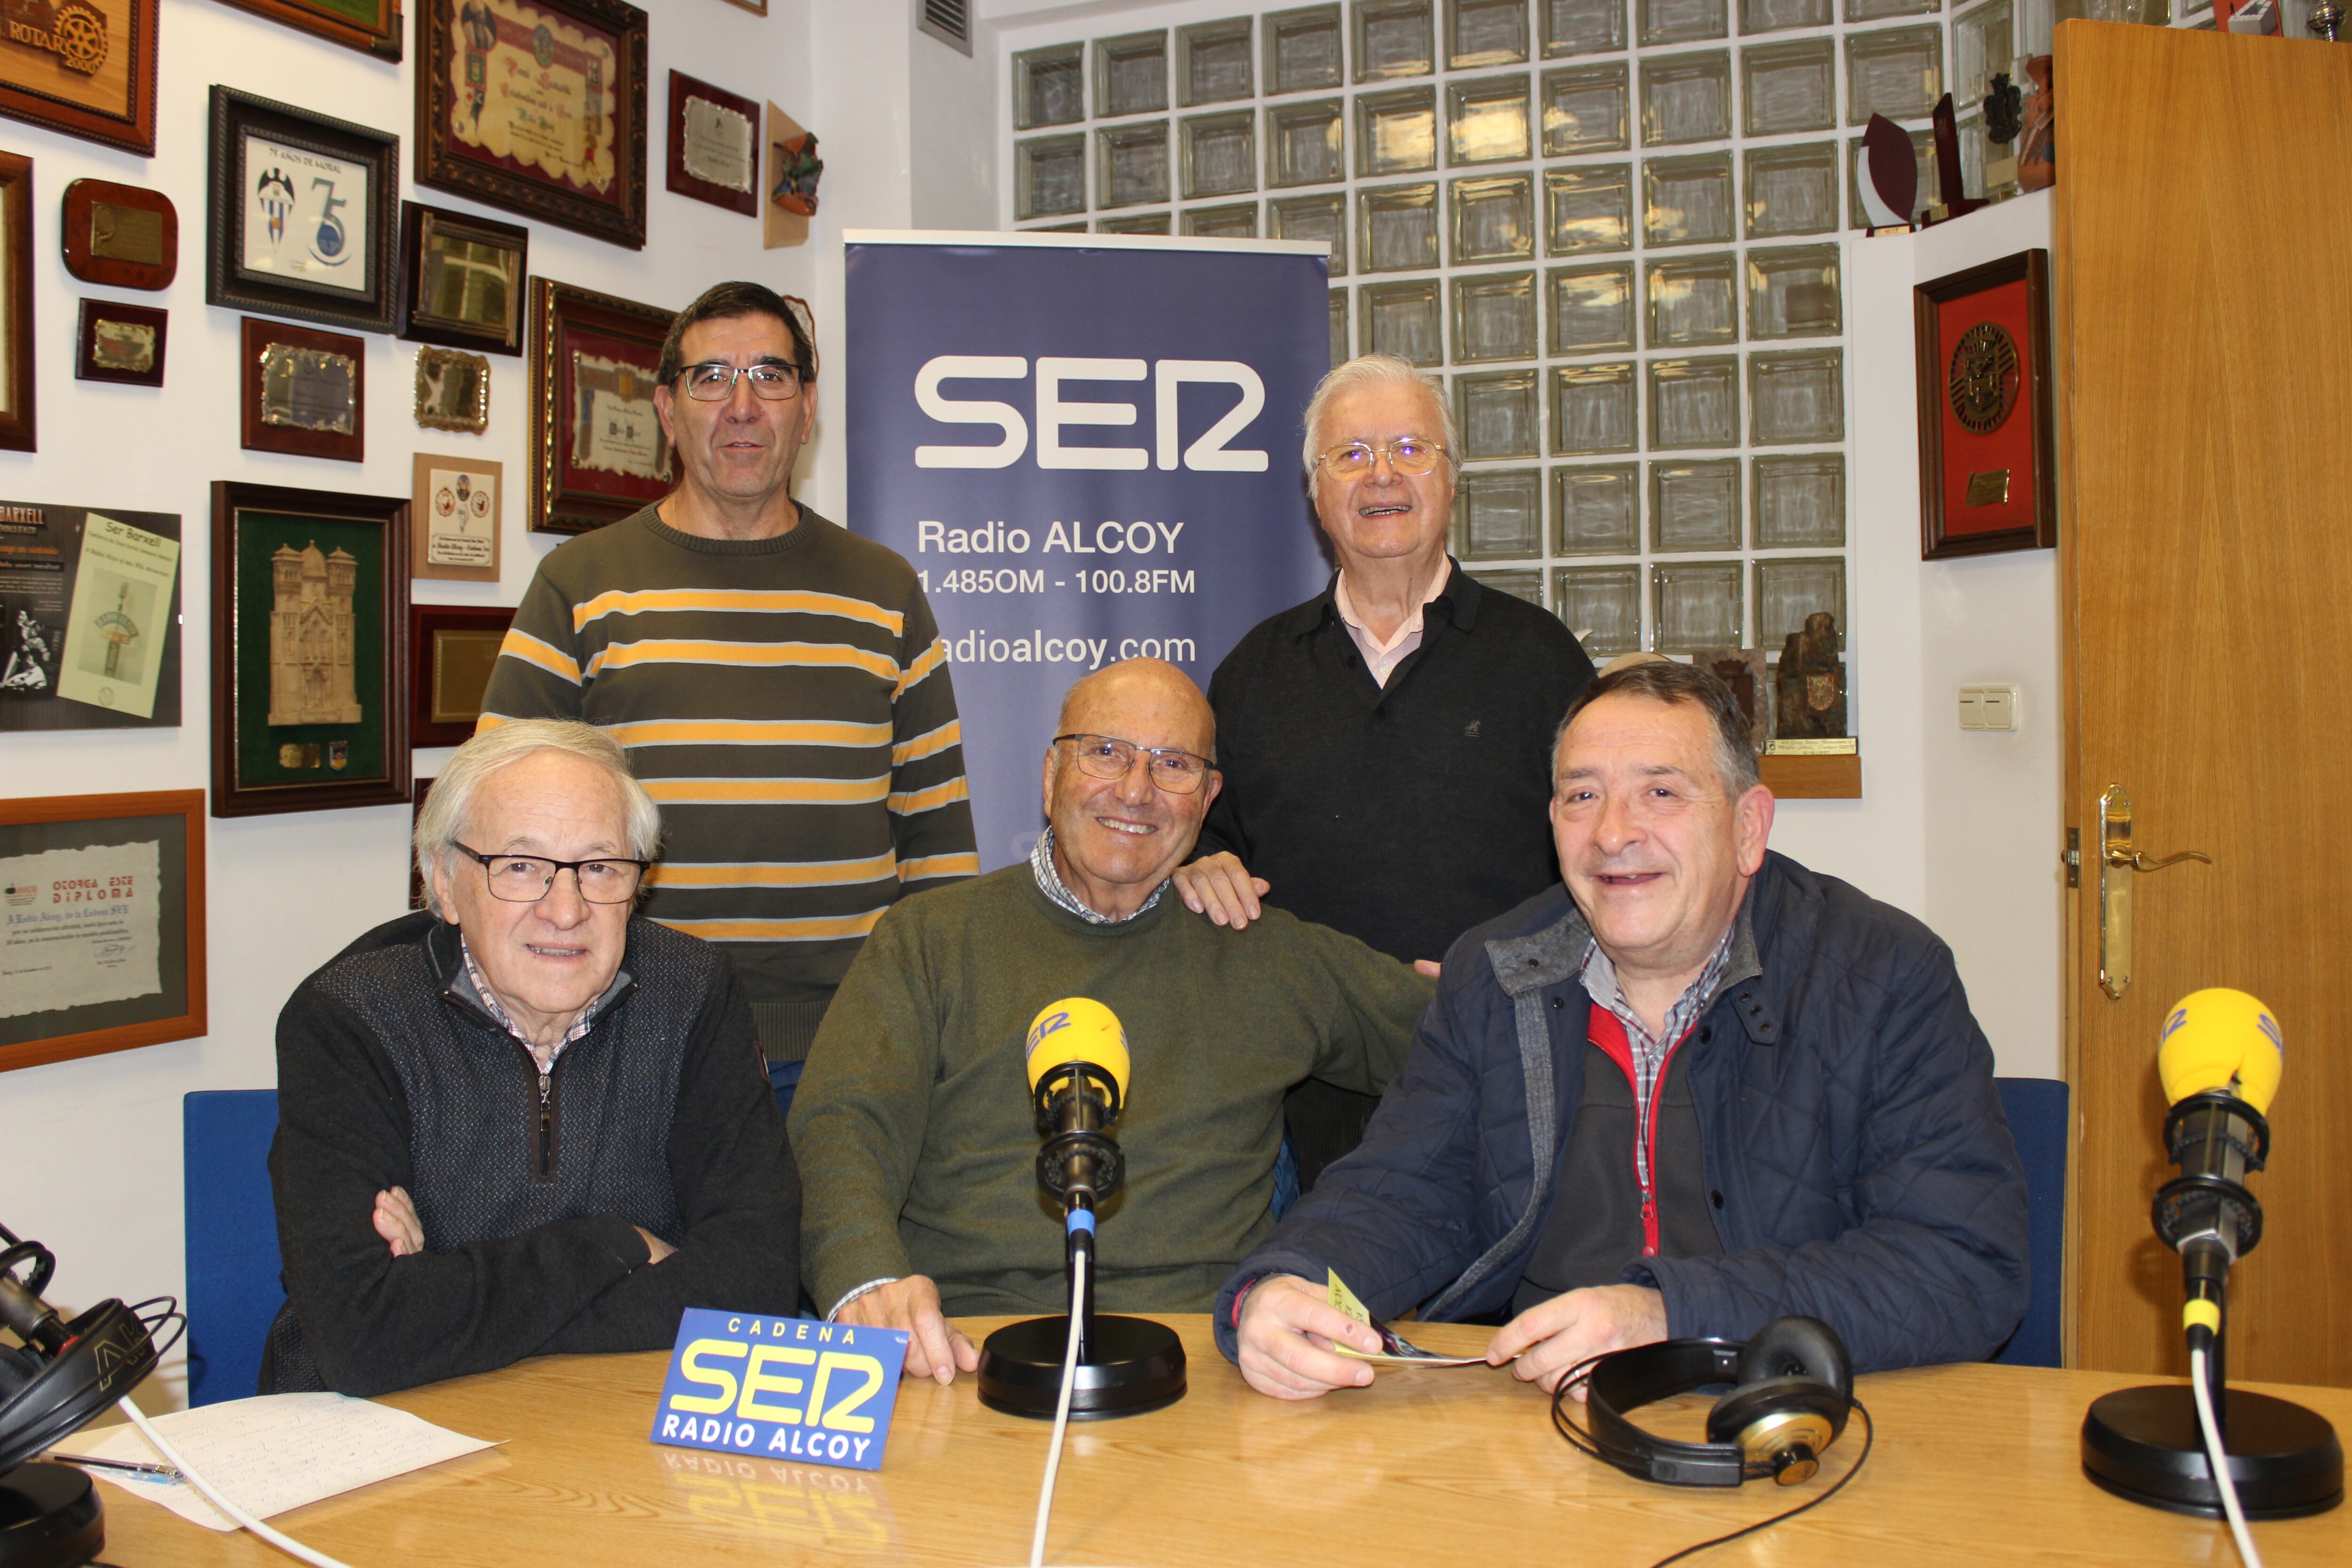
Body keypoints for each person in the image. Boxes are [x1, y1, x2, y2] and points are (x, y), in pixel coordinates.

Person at [1218, 660, 2029, 1400]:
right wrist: (1286, 1285)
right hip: (1536, 1425)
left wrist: (1670, 1313)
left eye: (1661, 792)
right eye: (1582, 795)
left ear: (1749, 827)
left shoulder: (1883, 973)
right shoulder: (1497, 974)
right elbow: (1403, 1188)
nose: (1612, 832)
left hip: (1795, 1415)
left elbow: (1961, 1264)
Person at [790, 660, 1433, 1384]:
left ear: (1208, 799)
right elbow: (843, 1124)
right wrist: (864, 1281)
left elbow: (1468, 1036)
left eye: (1174, 765)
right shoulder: (931, 940)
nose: (1136, 789)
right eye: (1105, 752)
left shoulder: (1264, 949)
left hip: (1211, 1365)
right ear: (1050, 772)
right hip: (967, 1355)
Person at [477, 281, 978, 1117]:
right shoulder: (579, 585)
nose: (742, 406)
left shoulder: (884, 589)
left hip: (849, 1050)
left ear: (807, 407)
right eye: (712, 378)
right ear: (669, 410)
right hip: (633, 1044)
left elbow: (936, 838)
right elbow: (492, 826)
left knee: (841, 1254)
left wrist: (942, 1026)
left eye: (771, 377)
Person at [261, 721, 801, 1397]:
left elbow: (760, 1290)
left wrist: (446, 1297)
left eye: (600, 866)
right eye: (521, 867)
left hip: (621, 1422)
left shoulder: (694, 993)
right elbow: (364, 1339)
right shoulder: (348, 1020)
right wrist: (615, 1247)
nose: (566, 909)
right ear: (445, 883)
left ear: (638, 884)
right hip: (389, 1436)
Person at [1175, 353, 1596, 1192]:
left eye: (1410, 447)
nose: (1384, 476)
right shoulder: (1253, 672)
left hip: (1497, 1072)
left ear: (1451, 478)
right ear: (1316, 493)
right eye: (1352, 454)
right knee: (1312, 1314)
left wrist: (1514, 968)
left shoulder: (1541, 660)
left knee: (1488, 1321)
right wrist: (1197, 863)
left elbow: (1600, 866)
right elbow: (1201, 849)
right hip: (1301, 1104)